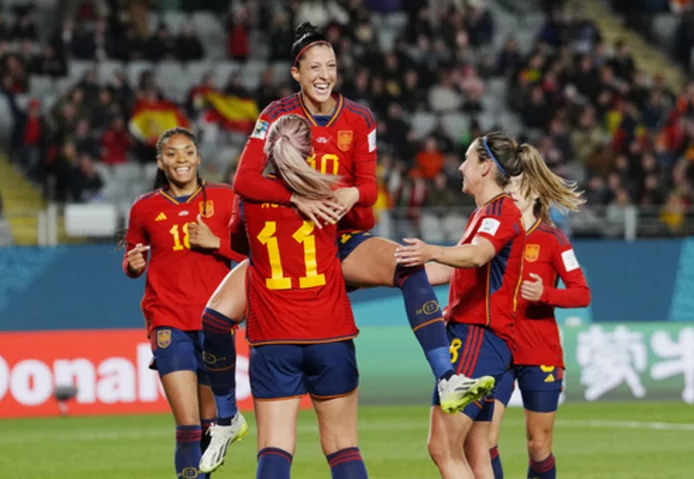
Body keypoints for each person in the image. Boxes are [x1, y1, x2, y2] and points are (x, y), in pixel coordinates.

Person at [199, 22, 485, 472]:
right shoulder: (277, 116)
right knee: (214, 318)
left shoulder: (359, 119)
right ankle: (223, 417)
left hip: (338, 240)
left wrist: (351, 195)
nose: (324, 74)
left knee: (406, 265)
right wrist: (299, 199)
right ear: (296, 73)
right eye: (314, 66)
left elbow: (368, 198)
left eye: (331, 66)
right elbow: (244, 181)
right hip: (293, 243)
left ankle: (447, 377)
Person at [394, 132, 551, 479]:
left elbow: (478, 254)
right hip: (490, 342)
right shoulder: (486, 215)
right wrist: (393, 272)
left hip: (477, 337)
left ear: (484, 167)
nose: (460, 166)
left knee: (443, 447)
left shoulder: (500, 212)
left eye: (467, 159)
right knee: (476, 451)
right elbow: (454, 268)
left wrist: (431, 249)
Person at [232, 114, 369, 478]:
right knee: (343, 445)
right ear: (310, 151)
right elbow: (366, 220)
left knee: (275, 445)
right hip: (330, 331)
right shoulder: (329, 194)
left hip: (274, 333)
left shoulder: (249, 201)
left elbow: (235, 242)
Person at [122, 127, 248, 479]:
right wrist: (132, 267)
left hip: (215, 322)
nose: (182, 160)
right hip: (168, 320)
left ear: (198, 157)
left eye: (188, 152)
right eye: (173, 153)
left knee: (210, 427)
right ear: (161, 162)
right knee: (188, 426)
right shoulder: (144, 208)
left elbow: (251, 253)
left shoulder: (226, 199)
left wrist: (216, 243)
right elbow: (133, 258)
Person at [487, 173, 590, 479]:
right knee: (484, 440)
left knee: (538, 444)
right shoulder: (493, 236)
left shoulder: (553, 239)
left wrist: (544, 293)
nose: (513, 192)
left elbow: (582, 293)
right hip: (498, 347)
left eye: (520, 187)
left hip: (539, 351)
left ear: (536, 195)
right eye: (508, 187)